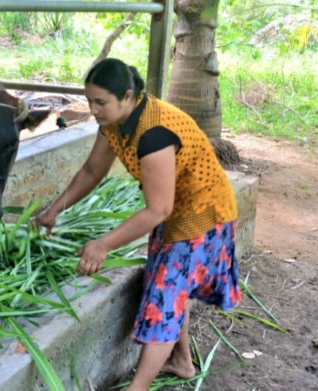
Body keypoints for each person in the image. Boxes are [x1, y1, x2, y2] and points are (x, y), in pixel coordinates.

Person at [31, 58, 241, 391]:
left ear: (128, 96)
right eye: (90, 101)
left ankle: (137, 388)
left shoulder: (154, 133)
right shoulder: (114, 123)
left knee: (164, 298)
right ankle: (182, 361)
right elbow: (90, 172)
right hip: (174, 209)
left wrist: (103, 244)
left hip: (202, 212)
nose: (93, 110)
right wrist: (54, 209)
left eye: (101, 103)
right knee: (170, 289)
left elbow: (158, 209)